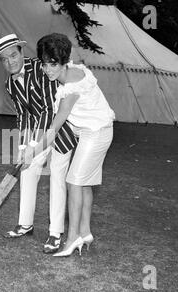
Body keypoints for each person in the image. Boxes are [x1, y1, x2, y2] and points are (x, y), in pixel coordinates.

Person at [23, 33, 115, 257]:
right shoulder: (73, 71)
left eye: (52, 64)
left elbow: (55, 127)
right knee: (84, 183)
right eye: (44, 64)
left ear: (64, 61)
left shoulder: (70, 88)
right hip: (92, 132)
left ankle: (72, 237)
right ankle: (85, 232)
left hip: (97, 133)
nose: (47, 69)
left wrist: (32, 152)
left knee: (73, 181)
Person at [0, 34, 77, 253]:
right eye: (4, 59)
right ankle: (25, 224)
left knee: (57, 177)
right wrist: (23, 147)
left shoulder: (40, 69)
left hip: (59, 129)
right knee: (28, 171)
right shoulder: (9, 82)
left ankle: (55, 233)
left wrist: (32, 144)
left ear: (21, 52)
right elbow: (22, 115)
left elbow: (49, 108)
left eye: (13, 55)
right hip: (37, 133)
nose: (10, 62)